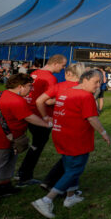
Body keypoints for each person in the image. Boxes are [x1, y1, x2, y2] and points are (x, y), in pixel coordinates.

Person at [31, 69, 110, 219]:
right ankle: (46, 200)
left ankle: (70, 196)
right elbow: (92, 118)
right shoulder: (86, 96)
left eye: (100, 82)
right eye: (96, 82)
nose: (98, 86)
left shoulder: (66, 92)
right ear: (85, 80)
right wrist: (104, 133)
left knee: (69, 167)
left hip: (60, 134)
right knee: (75, 169)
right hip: (76, 138)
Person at [0, 74, 52, 205]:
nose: (31, 89)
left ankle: (5, 186)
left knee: (9, 160)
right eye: (29, 86)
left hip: (2, 135)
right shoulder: (16, 100)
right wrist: (46, 124)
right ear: (20, 86)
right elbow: (29, 117)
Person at [34, 63, 86, 191]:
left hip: (59, 127)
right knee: (74, 158)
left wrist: (45, 117)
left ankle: (51, 182)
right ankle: (63, 188)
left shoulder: (59, 86)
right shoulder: (82, 88)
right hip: (75, 127)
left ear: (68, 73)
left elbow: (41, 101)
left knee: (66, 156)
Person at [16, 54, 67, 186]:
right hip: (41, 115)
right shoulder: (50, 78)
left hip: (28, 112)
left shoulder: (35, 73)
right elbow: (48, 101)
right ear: (55, 63)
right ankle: (24, 176)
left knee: (32, 144)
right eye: (62, 65)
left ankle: (21, 173)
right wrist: (64, 97)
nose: (63, 68)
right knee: (37, 145)